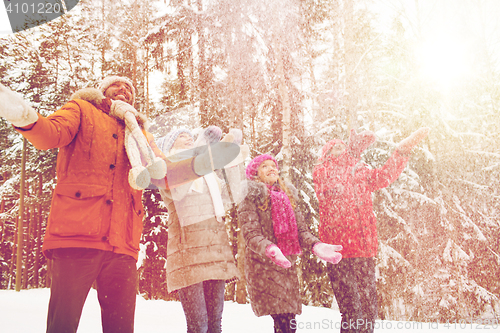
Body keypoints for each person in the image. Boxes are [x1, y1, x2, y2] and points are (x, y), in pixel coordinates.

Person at [0, 76, 238, 333]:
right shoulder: (81, 109)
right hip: (77, 236)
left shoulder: (141, 133)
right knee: (62, 325)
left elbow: (164, 172)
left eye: (130, 87)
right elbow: (50, 134)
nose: (124, 89)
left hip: (123, 245)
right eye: (117, 85)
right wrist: (24, 117)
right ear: (102, 91)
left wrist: (201, 163)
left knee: (121, 328)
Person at [313, 128, 429, 333]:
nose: (341, 150)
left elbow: (383, 177)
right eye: (335, 148)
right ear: (326, 154)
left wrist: (401, 152)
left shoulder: (359, 169)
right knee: (351, 312)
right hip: (339, 253)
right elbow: (335, 184)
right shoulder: (323, 171)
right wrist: (353, 154)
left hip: (363, 250)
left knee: (368, 311)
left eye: (343, 146)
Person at [238, 154, 343, 333]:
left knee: (288, 321)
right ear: (255, 174)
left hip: (286, 266)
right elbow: (251, 234)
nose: (272, 168)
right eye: (265, 166)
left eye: (273, 165)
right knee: (284, 321)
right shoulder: (249, 198)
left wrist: (315, 245)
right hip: (263, 267)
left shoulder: (286, 198)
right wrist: (271, 249)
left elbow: (301, 231)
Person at [157, 126, 243, 333]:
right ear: (169, 146)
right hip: (188, 252)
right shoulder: (167, 168)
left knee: (214, 325)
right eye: (180, 137)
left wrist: (231, 157)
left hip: (214, 252)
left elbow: (232, 196)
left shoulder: (208, 174)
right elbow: (178, 193)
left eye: (189, 135)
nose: (187, 138)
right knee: (198, 326)